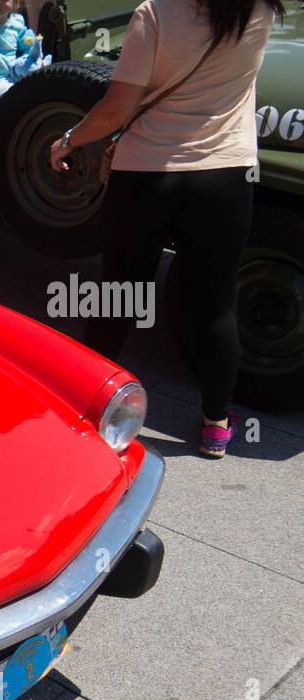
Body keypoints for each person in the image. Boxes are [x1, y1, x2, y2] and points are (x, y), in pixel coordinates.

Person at [49, 0, 282, 458]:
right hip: (226, 175)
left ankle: (92, 405)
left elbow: (117, 107)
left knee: (119, 294)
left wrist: (68, 140)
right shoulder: (261, 11)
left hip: (147, 175)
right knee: (214, 305)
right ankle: (216, 424)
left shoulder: (155, 14)